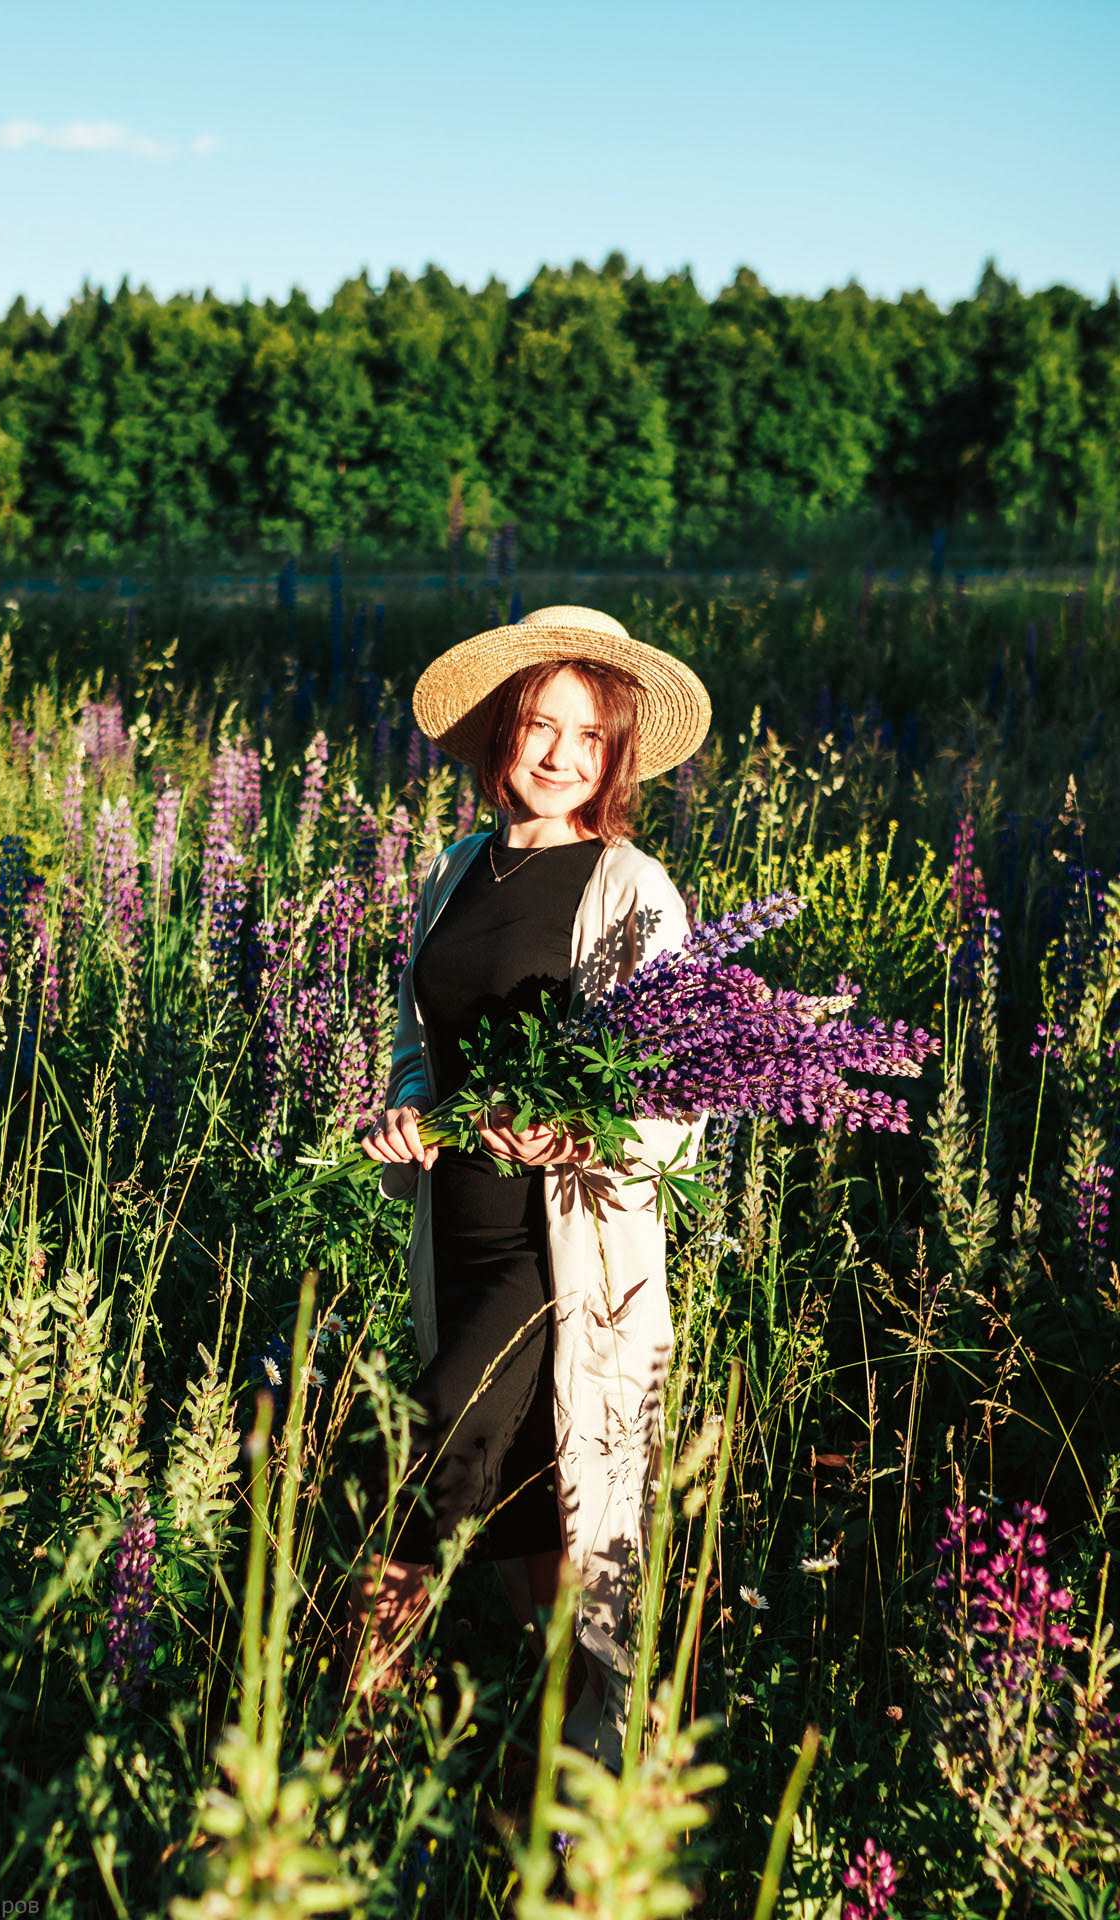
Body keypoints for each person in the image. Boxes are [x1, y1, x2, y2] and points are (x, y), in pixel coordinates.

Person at [349, 603, 711, 1774]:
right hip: (453, 1230)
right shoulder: (455, 868)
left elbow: (679, 1094)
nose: (557, 753)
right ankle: (575, 1759)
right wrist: (401, 1110)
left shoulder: (630, 886)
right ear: (502, 732)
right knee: (519, 1500)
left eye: (587, 736)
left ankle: (353, 1719)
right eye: (538, 725)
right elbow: (424, 1040)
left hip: (558, 1250)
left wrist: (579, 1133)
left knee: (422, 1443)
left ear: (615, 759)